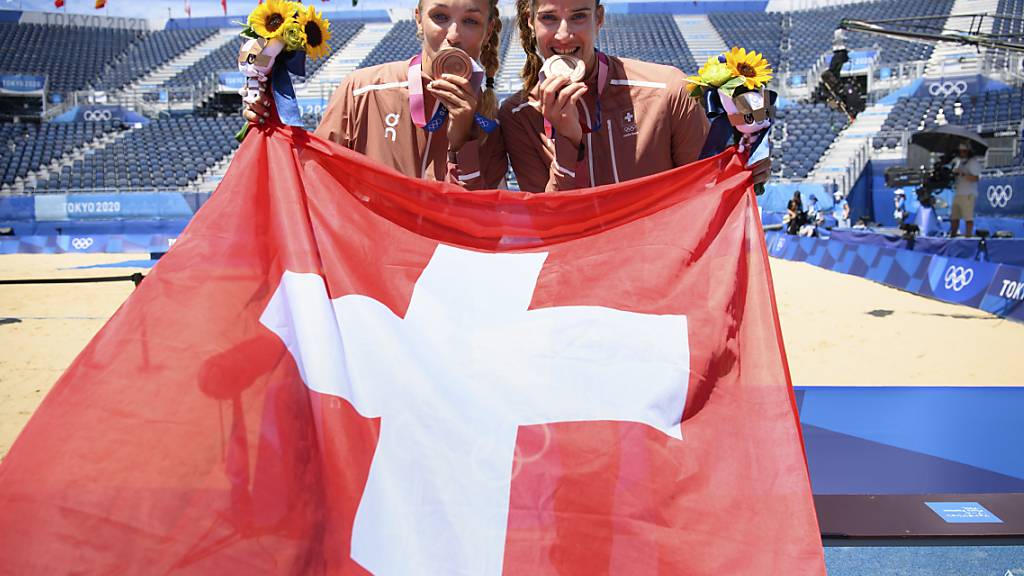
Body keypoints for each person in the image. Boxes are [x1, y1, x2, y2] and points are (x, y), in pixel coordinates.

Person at [498, 0, 770, 192]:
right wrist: (568, 143)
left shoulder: (667, 89)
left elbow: (708, 192)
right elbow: (550, 225)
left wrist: (747, 166)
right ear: (530, 22)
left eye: (579, 16)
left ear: (599, 18)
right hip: (580, 271)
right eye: (548, 17)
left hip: (662, 269)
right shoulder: (519, 115)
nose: (564, 33)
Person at [244, 0, 506, 189]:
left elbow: (479, 225)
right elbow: (313, 183)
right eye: (439, 16)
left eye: (471, 21)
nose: (454, 35)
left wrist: (463, 141)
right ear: (418, 18)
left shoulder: (490, 121)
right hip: (368, 263)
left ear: (488, 29)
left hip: (439, 264)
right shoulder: (361, 90)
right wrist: (271, 122)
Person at [949, 142, 981, 237]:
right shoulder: (959, 162)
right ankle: (953, 235)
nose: (962, 153)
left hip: (968, 194)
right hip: (958, 192)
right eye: (960, 151)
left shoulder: (973, 162)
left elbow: (975, 178)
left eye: (964, 151)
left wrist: (962, 173)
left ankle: (968, 236)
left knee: (968, 217)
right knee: (954, 217)